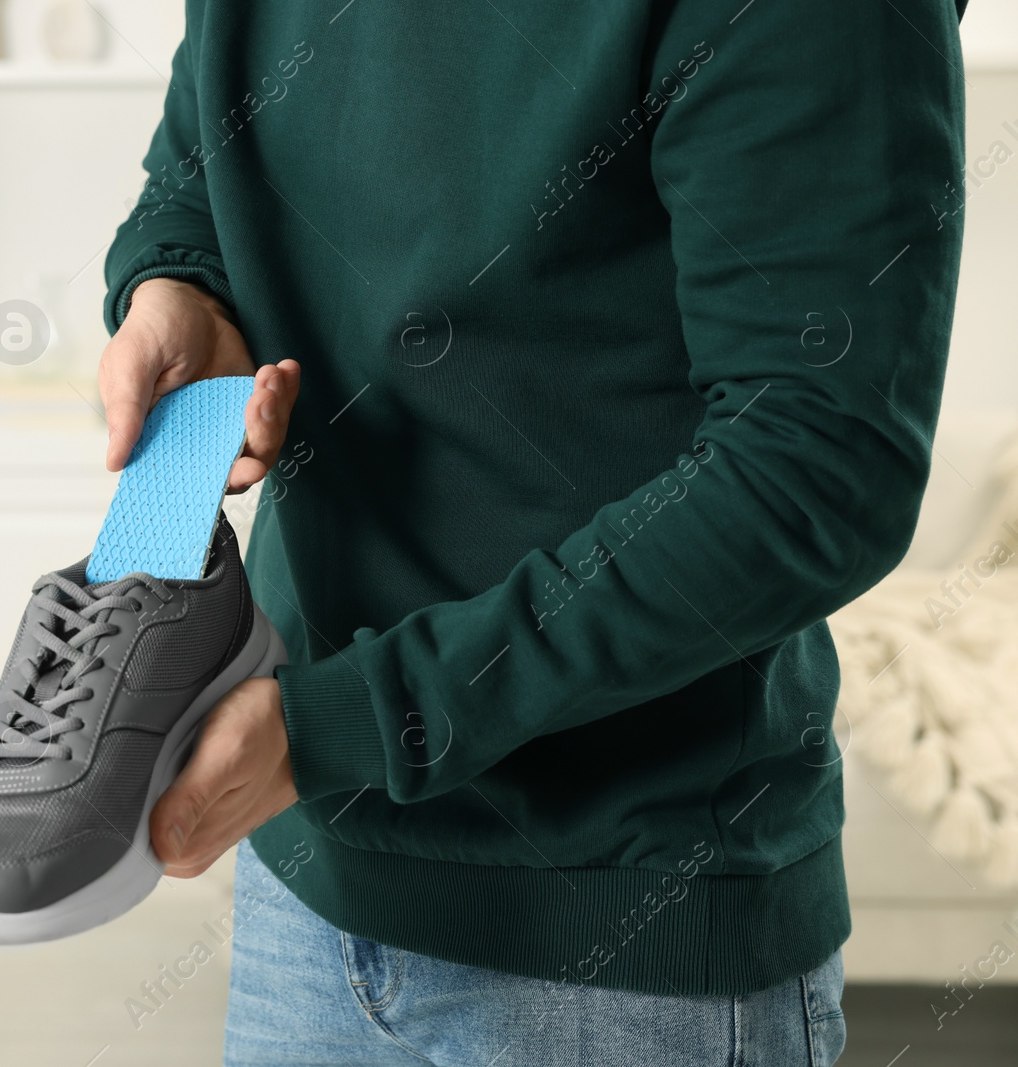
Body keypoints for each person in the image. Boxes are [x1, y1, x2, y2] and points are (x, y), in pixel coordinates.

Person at [95, 2, 968, 1063]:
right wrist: (175, 284)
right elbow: (200, 160)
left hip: (623, 944)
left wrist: (354, 722)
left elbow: (816, 470)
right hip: (309, 873)